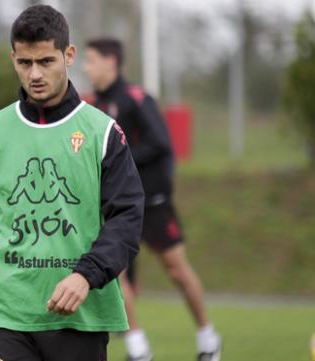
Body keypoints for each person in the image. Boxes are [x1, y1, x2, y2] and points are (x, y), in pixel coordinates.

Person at [0, 5, 144, 361]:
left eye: (46, 61)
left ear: (69, 55)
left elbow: (126, 218)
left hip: (82, 318)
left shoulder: (101, 132)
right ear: (13, 58)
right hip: (9, 318)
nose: (34, 74)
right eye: (25, 63)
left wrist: (85, 276)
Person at [82, 37, 222, 361]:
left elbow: (161, 143)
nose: (86, 67)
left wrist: (121, 156)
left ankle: (208, 339)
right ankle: (139, 350)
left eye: (90, 60)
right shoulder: (93, 107)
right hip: (116, 207)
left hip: (153, 202)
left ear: (110, 62)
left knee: (177, 270)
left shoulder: (137, 99)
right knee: (115, 275)